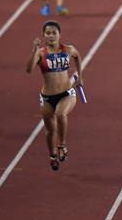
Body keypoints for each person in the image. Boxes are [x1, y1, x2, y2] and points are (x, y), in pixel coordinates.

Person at [25, 21, 82, 170]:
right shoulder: (40, 53)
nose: (50, 36)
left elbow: (77, 56)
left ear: (59, 34)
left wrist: (80, 77)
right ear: (44, 35)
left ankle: (62, 145)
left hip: (66, 94)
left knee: (60, 114)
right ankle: (52, 155)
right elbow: (29, 69)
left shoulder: (68, 49)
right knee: (50, 131)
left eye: (53, 33)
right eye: (47, 33)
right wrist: (33, 50)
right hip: (47, 98)